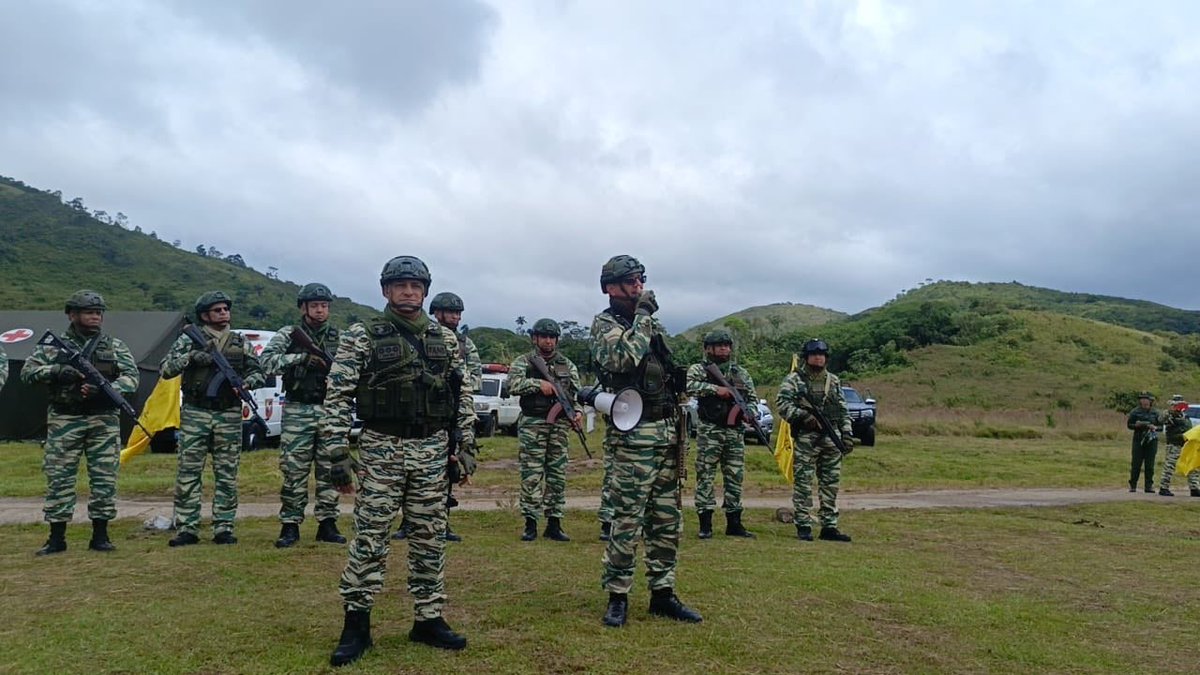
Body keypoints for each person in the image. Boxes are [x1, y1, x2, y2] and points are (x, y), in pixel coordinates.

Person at [323, 256, 474, 666]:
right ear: (386, 290)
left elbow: (461, 396)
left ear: (425, 291)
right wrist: (338, 453)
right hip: (380, 449)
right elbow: (337, 397)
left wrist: (465, 446)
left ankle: (429, 617)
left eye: (415, 285)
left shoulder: (444, 340)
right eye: (400, 285)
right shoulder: (362, 336)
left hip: (431, 450)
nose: (408, 292)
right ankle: (357, 624)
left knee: (429, 536)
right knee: (370, 537)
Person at [591, 254, 701, 628]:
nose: (639, 287)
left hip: (667, 433)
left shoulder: (651, 324)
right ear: (610, 287)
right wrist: (642, 316)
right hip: (632, 437)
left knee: (667, 521)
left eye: (641, 279)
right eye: (630, 281)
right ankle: (618, 595)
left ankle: (663, 593)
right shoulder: (604, 324)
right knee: (627, 520)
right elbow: (623, 358)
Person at [21, 290, 138, 555]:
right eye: (89, 311)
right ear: (72, 315)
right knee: (59, 477)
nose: (96, 316)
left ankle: (100, 535)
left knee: (104, 477)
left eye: (99, 312)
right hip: (65, 418)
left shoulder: (114, 345)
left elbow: (132, 377)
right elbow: (28, 373)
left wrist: (108, 388)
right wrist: (57, 371)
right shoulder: (52, 345)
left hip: (103, 420)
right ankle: (56, 537)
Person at [160, 291, 265, 546]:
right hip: (196, 411)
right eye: (217, 310)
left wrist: (245, 383)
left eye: (225, 309)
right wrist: (191, 358)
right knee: (189, 472)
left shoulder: (240, 342)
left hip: (228, 412)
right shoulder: (190, 339)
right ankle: (187, 527)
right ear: (205, 315)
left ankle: (224, 527)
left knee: (227, 473)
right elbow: (166, 369)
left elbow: (259, 372)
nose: (223, 313)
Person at [260, 283, 345, 547]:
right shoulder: (289, 334)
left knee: (330, 469)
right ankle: (290, 525)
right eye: (315, 305)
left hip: (330, 409)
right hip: (298, 409)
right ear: (303, 308)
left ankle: (327, 523)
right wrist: (300, 359)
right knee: (294, 469)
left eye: (324, 305)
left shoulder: (338, 336)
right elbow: (267, 362)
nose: (320, 310)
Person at [394, 291, 480, 543]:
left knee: (447, 468)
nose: (455, 316)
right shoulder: (421, 334)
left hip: (451, 410)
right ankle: (407, 521)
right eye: (450, 312)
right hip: (420, 410)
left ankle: (443, 522)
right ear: (437, 313)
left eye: (458, 313)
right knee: (411, 469)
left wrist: (450, 384)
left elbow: (473, 377)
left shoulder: (466, 344)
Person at [506, 318, 582, 542]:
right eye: (544, 337)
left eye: (552, 337)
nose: (548, 341)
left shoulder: (567, 365)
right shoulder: (524, 362)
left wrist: (576, 411)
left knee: (557, 475)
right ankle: (530, 523)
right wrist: (538, 384)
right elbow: (512, 385)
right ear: (535, 338)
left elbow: (574, 394)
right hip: (533, 424)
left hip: (558, 426)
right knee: (531, 474)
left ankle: (554, 523)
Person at [775, 338, 854, 543]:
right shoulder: (794, 380)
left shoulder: (833, 381)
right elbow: (782, 405)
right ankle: (803, 524)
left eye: (822, 355)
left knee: (830, 484)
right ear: (807, 357)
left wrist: (846, 434)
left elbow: (842, 410)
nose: (818, 358)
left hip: (831, 438)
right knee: (803, 482)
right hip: (806, 439)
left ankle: (829, 526)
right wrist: (804, 417)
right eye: (814, 354)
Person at [685, 328, 758, 539]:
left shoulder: (740, 373)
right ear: (708, 349)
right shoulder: (700, 369)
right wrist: (717, 390)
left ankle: (734, 523)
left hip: (735, 432)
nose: (724, 348)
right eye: (719, 345)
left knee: (735, 476)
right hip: (710, 431)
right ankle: (705, 524)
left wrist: (749, 413)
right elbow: (690, 386)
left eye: (727, 345)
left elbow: (751, 398)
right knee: (706, 476)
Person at [1156, 395, 1195, 497]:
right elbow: (1160, 420)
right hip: (1174, 444)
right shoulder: (1169, 415)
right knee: (1170, 466)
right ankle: (1163, 488)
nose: (1179, 406)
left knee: (1192, 466)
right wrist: (1170, 411)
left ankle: (1194, 488)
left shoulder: (1184, 416)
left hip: (1186, 444)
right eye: (1177, 404)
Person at [1126, 392, 1162, 494]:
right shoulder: (1135, 412)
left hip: (1151, 440)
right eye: (1142, 399)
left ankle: (1148, 486)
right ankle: (1133, 485)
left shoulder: (1156, 412)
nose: (1144, 401)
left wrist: (1154, 427)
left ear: (1151, 401)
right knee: (1136, 464)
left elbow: (1161, 426)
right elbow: (1129, 425)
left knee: (1150, 465)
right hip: (1139, 440)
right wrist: (1137, 425)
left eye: (1146, 399)